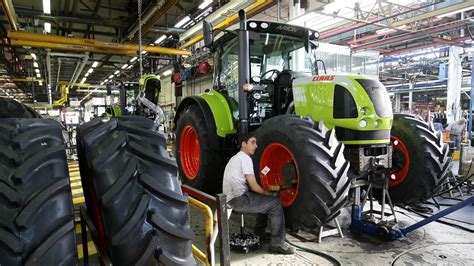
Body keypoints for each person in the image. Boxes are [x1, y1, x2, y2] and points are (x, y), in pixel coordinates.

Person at [222, 133, 295, 255]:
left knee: (265, 200)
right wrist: (268, 193)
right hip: (239, 200)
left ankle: (259, 232)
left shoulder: (235, 158)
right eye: (252, 142)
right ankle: (277, 244)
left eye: (256, 142)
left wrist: (265, 194)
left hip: (230, 199)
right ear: (243, 144)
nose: (256, 145)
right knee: (275, 203)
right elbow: (254, 186)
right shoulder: (245, 158)